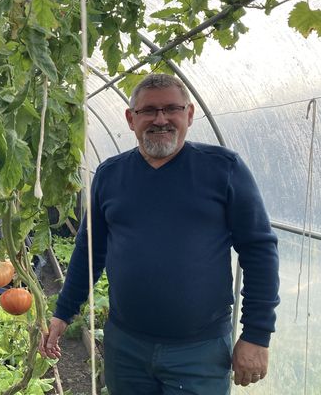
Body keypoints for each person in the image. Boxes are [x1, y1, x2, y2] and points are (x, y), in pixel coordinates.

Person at [40, 74, 280, 394]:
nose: (160, 119)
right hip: (125, 346)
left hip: (199, 351)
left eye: (171, 109)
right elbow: (89, 250)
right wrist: (63, 313)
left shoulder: (223, 169)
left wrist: (257, 334)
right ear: (130, 119)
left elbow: (259, 250)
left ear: (189, 115)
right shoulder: (110, 175)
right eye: (148, 111)